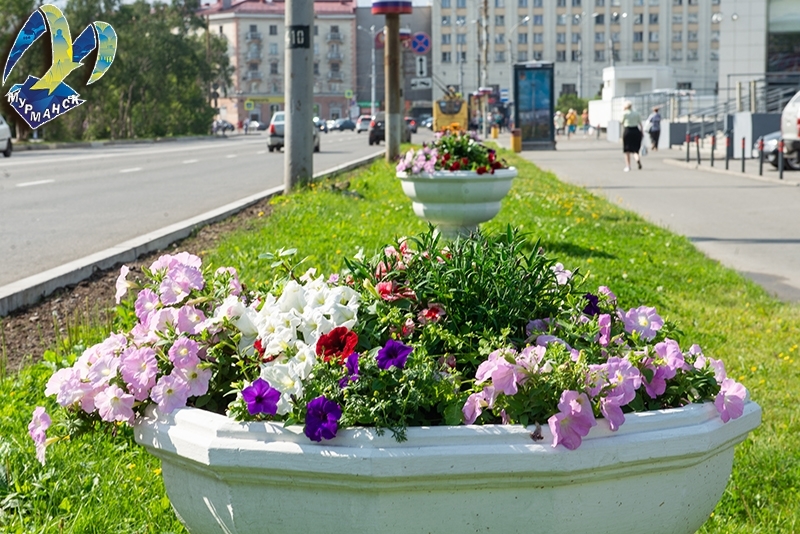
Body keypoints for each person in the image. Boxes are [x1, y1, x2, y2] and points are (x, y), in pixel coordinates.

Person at [621, 101, 643, 172]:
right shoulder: (637, 113)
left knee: (627, 150)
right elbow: (640, 123)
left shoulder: (624, 113)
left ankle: (628, 166)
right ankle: (637, 159)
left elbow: (621, 122)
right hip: (636, 131)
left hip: (628, 130)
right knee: (635, 150)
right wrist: (642, 132)